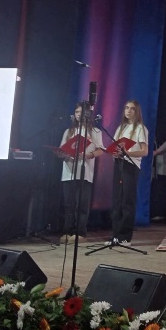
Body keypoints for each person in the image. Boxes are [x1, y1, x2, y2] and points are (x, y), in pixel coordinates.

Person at [56, 102, 104, 244]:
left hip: (85, 171)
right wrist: (63, 155)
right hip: (68, 170)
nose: (78, 115)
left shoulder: (95, 132)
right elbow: (61, 149)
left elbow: (100, 150)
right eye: (76, 112)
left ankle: (80, 232)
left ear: (88, 114)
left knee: (82, 204)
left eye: (81, 112)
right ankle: (67, 230)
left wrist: (89, 155)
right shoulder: (69, 131)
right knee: (68, 204)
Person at [106, 100, 149, 246]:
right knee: (117, 200)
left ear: (137, 112)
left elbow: (144, 151)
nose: (128, 111)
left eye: (132, 109)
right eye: (126, 108)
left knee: (127, 201)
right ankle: (115, 235)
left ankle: (125, 237)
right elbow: (115, 147)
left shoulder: (141, 128)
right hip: (119, 164)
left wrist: (127, 153)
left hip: (131, 165)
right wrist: (115, 153)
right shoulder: (121, 128)